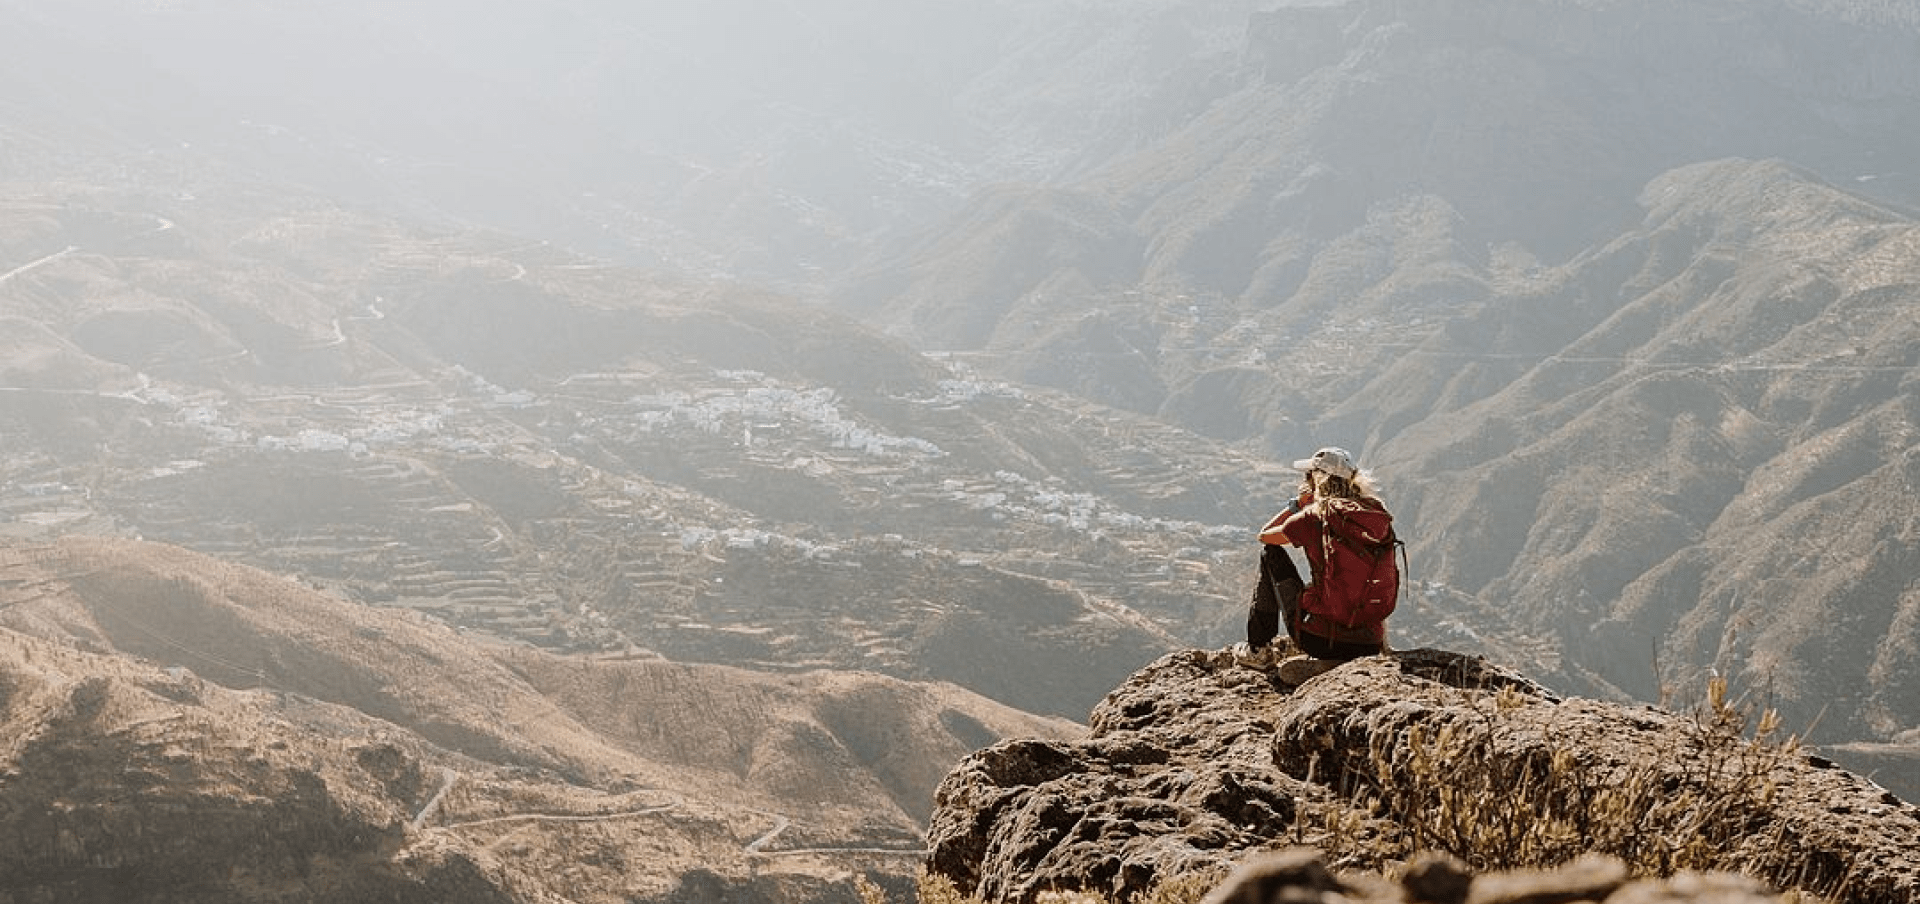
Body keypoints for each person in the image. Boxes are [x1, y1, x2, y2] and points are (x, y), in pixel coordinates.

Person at [1232, 446, 1396, 684]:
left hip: (1321, 641)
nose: (1304, 480)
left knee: (1270, 554)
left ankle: (1258, 651)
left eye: (1308, 475)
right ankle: (1353, 656)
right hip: (1370, 643)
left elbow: (1265, 535)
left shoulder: (1314, 516)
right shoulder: (1375, 514)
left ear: (1317, 479)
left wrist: (1297, 505)